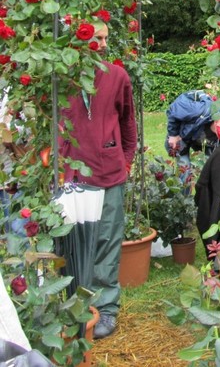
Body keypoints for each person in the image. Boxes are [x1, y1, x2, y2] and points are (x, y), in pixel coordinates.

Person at [59, 22, 137, 339]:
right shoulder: (61, 77)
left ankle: (106, 310)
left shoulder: (117, 76)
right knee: (72, 242)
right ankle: (75, 308)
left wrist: (126, 161)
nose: (102, 44)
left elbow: (128, 123)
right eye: (95, 38)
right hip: (71, 176)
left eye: (105, 38)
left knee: (106, 242)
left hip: (109, 175)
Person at [165, 90, 218, 174]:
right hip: (180, 136)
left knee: (211, 168)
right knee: (184, 170)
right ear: (217, 119)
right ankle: (184, 185)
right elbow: (175, 108)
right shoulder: (201, 110)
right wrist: (173, 134)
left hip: (200, 141)